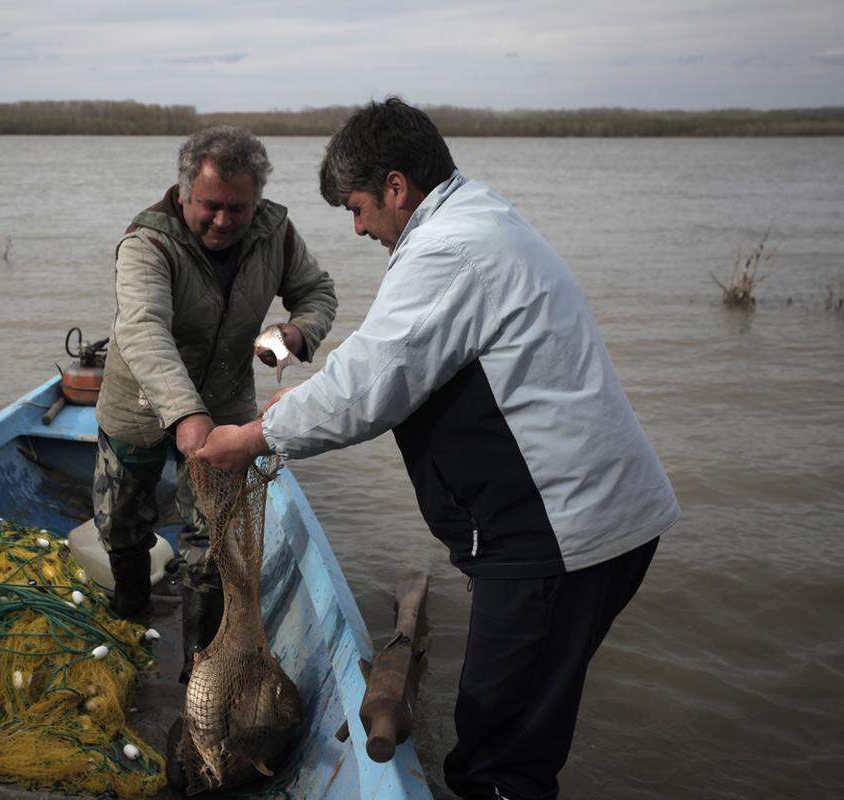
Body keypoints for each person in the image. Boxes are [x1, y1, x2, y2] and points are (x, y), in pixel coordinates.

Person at [196, 99, 680, 800]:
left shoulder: (452, 247)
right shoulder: (475, 221)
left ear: (397, 187)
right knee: (518, 722)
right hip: (577, 526)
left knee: (498, 760)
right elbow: (387, 358)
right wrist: (289, 409)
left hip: (555, 539)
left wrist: (251, 436)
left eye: (358, 206)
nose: (358, 226)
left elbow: (370, 385)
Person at [93, 126, 337, 673]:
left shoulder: (276, 231)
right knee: (122, 524)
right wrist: (184, 413)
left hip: (226, 408)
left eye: (238, 208)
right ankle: (130, 617)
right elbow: (144, 331)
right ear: (183, 195)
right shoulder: (146, 243)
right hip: (137, 407)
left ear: (257, 201)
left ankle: (202, 667)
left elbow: (317, 292)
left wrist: (295, 334)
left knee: (214, 542)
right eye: (210, 206)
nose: (224, 221)